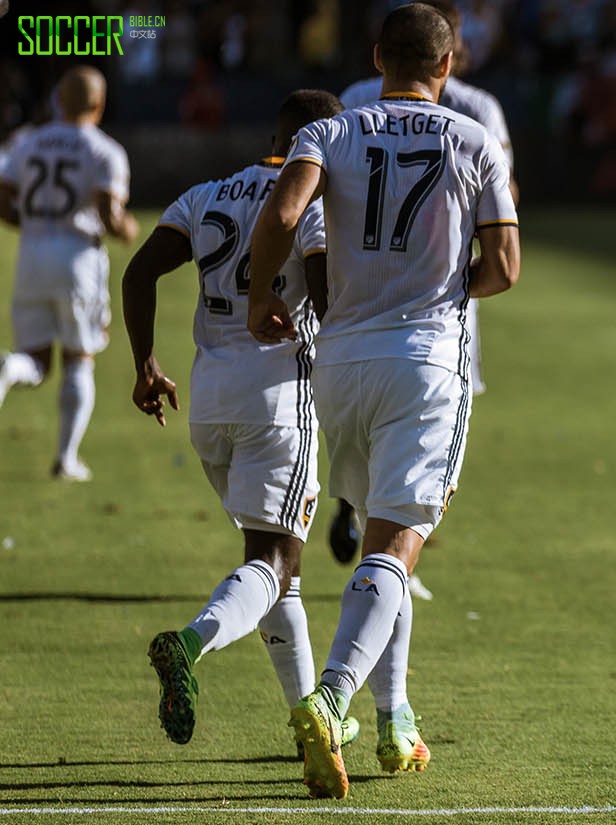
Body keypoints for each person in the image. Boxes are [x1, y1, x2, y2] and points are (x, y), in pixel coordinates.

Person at [246, 2, 520, 799]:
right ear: (448, 65)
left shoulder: (330, 130)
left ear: (375, 58)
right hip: (426, 359)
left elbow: (283, 213)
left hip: (341, 360)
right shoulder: (474, 135)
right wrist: (447, 290)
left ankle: (395, 715)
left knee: (380, 538)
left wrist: (263, 294)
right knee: (397, 545)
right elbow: (505, 265)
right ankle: (332, 698)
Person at [122, 89, 361, 756]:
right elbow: (323, 295)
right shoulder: (311, 200)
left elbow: (139, 273)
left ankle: (315, 732)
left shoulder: (204, 195)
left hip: (209, 398)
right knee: (273, 561)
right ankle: (190, 642)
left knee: (276, 567)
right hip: (279, 397)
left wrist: (145, 364)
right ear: (323, 140)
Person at [330, 0, 519, 597]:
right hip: (434, 314)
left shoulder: (350, 106)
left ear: (379, 54)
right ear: (448, 57)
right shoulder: (477, 117)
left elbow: (302, 207)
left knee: (370, 442)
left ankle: (365, 526)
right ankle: (391, 560)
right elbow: (505, 207)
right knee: (419, 454)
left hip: (349, 317)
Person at [0, 66, 137, 480]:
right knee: (79, 357)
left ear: (59, 99)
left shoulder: (28, 141)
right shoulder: (104, 150)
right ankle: (66, 458)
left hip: (32, 252)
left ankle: (8, 367)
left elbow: (3, 196)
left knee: (36, 360)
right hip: (78, 257)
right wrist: (128, 229)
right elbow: (109, 213)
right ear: (100, 104)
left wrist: (31, 225)